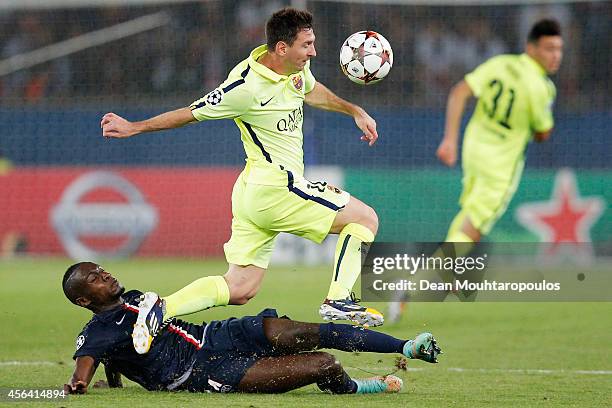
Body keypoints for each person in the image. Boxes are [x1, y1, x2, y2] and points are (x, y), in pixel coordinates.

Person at [100, 8, 384, 334]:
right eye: (306, 45)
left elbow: (311, 90)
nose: (313, 52)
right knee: (365, 219)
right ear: (281, 47)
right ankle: (340, 298)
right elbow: (190, 112)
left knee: (240, 287)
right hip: (278, 188)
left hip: (253, 192)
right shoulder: (244, 87)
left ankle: (161, 308)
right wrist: (134, 127)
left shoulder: (294, 70)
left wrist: (354, 110)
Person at [388, 19, 563, 322]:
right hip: (500, 164)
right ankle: (418, 282)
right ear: (531, 48)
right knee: (475, 225)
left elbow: (459, 92)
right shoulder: (542, 88)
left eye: (559, 49)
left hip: (473, 149)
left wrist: (450, 140)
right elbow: (543, 133)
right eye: (549, 48)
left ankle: (447, 264)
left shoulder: (500, 63)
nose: (555, 55)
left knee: (468, 217)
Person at [62, 262, 442, 395]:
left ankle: (408, 347)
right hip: (204, 372)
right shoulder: (95, 332)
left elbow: (117, 358)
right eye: (93, 278)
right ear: (83, 300)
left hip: (218, 334)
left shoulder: (134, 296)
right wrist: (80, 382)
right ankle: (357, 388)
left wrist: (116, 381)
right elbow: (91, 359)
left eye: (100, 269)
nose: (104, 274)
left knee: (299, 332)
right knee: (324, 363)